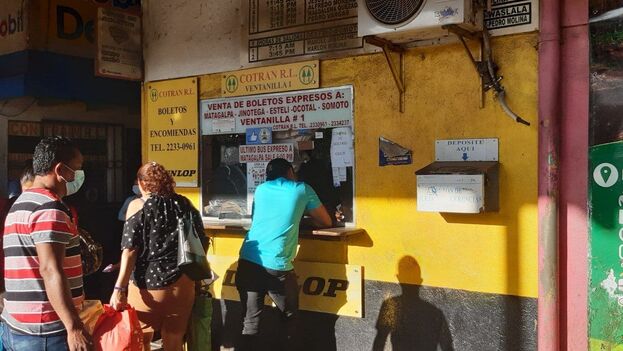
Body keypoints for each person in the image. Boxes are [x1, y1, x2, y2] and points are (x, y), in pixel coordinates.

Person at [0, 136, 90, 351]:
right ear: (60, 170)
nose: (79, 176)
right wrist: (74, 326)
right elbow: (50, 269)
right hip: (47, 331)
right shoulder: (50, 208)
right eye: (76, 169)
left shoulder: (21, 203)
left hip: (17, 326)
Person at [235, 158, 332, 350]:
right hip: (276, 266)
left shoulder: (261, 190)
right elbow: (325, 222)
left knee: (250, 322)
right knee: (290, 318)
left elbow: (260, 219)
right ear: (290, 172)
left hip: (248, 259)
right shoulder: (301, 189)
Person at [109, 162, 207, 351]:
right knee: (174, 340)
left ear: (142, 183)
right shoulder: (183, 203)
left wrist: (118, 288)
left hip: (145, 285)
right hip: (182, 282)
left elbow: (130, 250)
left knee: (142, 339)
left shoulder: (137, 206)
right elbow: (201, 240)